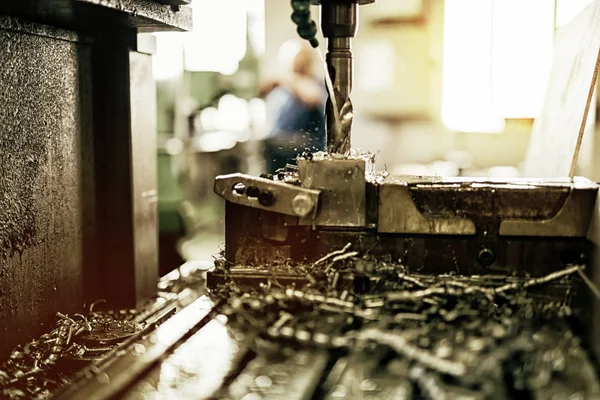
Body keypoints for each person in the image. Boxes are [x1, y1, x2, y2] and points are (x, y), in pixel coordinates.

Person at [260, 40, 327, 173]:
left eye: (301, 63)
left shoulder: (315, 84)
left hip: (307, 158)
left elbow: (312, 97)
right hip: (279, 155)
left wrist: (287, 79)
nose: (297, 67)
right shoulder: (283, 89)